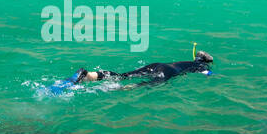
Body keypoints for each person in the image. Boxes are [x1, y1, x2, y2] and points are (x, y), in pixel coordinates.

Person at [75, 50, 214, 85]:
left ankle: (90, 75)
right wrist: (213, 74)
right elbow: (208, 74)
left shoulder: (190, 61)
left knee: (124, 76)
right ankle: (123, 88)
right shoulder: (201, 66)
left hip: (158, 65)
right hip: (168, 72)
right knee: (145, 85)